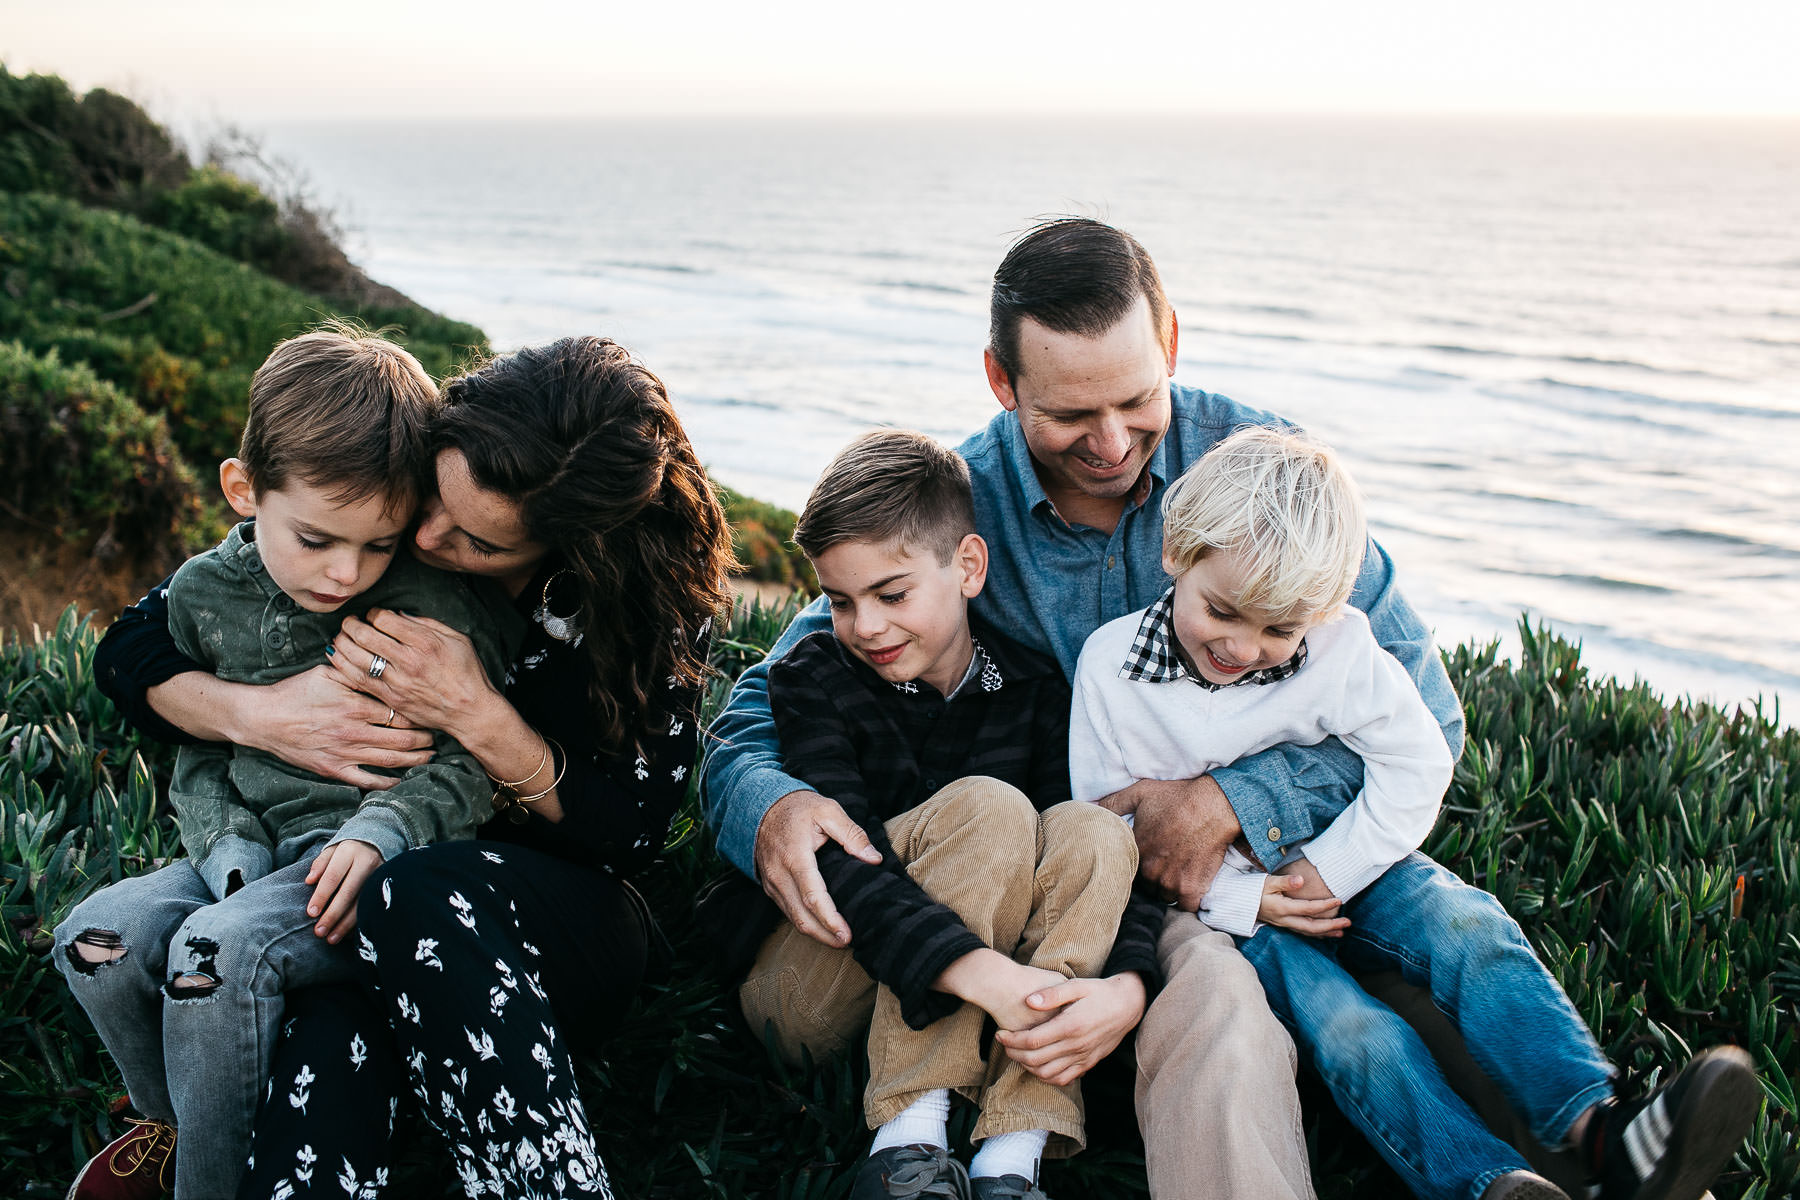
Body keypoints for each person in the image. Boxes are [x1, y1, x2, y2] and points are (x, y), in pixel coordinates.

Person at [703, 216, 1466, 1198]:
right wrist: (768, 801)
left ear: (1173, 344)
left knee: (1313, 980)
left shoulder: (1267, 477)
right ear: (1001, 381)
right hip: (1044, 869)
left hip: (1187, 879)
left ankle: (1581, 1142)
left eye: (1137, 399)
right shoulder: (951, 508)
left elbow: (1425, 717)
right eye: (1068, 414)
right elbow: (767, 706)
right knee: (1214, 978)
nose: (1110, 443)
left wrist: (1234, 797)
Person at [88, 335, 736, 1200]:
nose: (426, 537)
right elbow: (130, 648)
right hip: (348, 885)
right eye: (433, 497)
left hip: (533, 912)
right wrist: (268, 719)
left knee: (410, 892)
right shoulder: (367, 530)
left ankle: (542, 1177)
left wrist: (476, 712)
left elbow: (633, 833)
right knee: (325, 1031)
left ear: (569, 548)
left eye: (475, 540)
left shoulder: (634, 608)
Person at [1070, 426, 1761, 1200]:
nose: (1243, 645)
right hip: (1231, 910)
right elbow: (1109, 838)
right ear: (1176, 555)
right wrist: (1249, 898)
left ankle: (1602, 1131)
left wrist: (1327, 873)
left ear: (1323, 611)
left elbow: (1418, 759)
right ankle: (1488, 1185)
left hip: (1349, 862)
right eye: (1224, 611)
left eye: (1280, 629)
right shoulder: (1109, 669)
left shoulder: (1341, 650)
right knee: (1356, 1032)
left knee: (1472, 926)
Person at [55, 327, 509, 1200]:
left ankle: (209, 1185)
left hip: (360, 868)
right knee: (91, 945)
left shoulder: (430, 605)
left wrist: (383, 833)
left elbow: (465, 763)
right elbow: (200, 745)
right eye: (316, 539)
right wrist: (223, 842)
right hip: (239, 855)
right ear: (242, 489)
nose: (346, 573)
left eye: (378, 544)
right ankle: (178, 1129)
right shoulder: (199, 594)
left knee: (209, 958)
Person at [726, 429, 1164, 1200]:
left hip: (978, 998)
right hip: (812, 986)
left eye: (891, 594)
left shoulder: (1033, 691)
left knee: (1092, 830)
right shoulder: (814, 675)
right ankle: (908, 1145)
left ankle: (1011, 1158)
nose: (865, 626)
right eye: (840, 600)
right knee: (989, 808)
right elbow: (841, 869)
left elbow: (1097, 870)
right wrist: (987, 977)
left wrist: (1126, 982)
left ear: (967, 567)